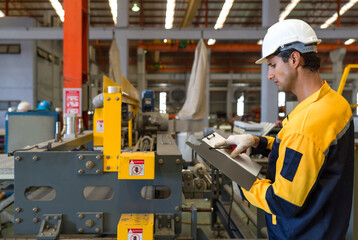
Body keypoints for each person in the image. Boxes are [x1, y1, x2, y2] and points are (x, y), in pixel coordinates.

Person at [216, 19, 354, 240]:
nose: (269, 75)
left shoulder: (308, 122)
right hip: (326, 227)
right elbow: (304, 154)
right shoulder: (333, 103)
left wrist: (242, 178)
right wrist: (256, 142)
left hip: (302, 233)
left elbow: (282, 202)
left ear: (294, 58)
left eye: (272, 65)